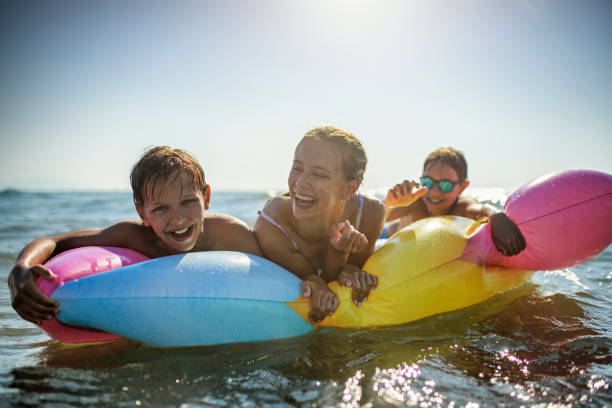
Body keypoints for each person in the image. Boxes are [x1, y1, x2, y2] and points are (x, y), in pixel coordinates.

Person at [9, 146, 262, 325]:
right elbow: (54, 242)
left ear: (206, 198)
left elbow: (278, 271)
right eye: (161, 208)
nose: (178, 218)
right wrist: (22, 267)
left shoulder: (230, 234)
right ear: (142, 213)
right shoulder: (134, 236)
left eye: (188, 202)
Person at [254, 126, 396, 324]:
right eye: (297, 168)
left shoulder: (370, 215)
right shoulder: (272, 225)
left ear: (349, 189)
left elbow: (344, 278)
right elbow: (317, 283)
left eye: (319, 174)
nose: (300, 183)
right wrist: (324, 271)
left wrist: (349, 268)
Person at [385, 146, 526, 256]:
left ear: (462, 187)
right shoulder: (415, 203)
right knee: (393, 228)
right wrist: (390, 203)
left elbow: (482, 211)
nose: (434, 191)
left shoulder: (462, 207)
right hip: (388, 234)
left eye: (445, 185)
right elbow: (380, 215)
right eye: (427, 182)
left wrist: (498, 217)